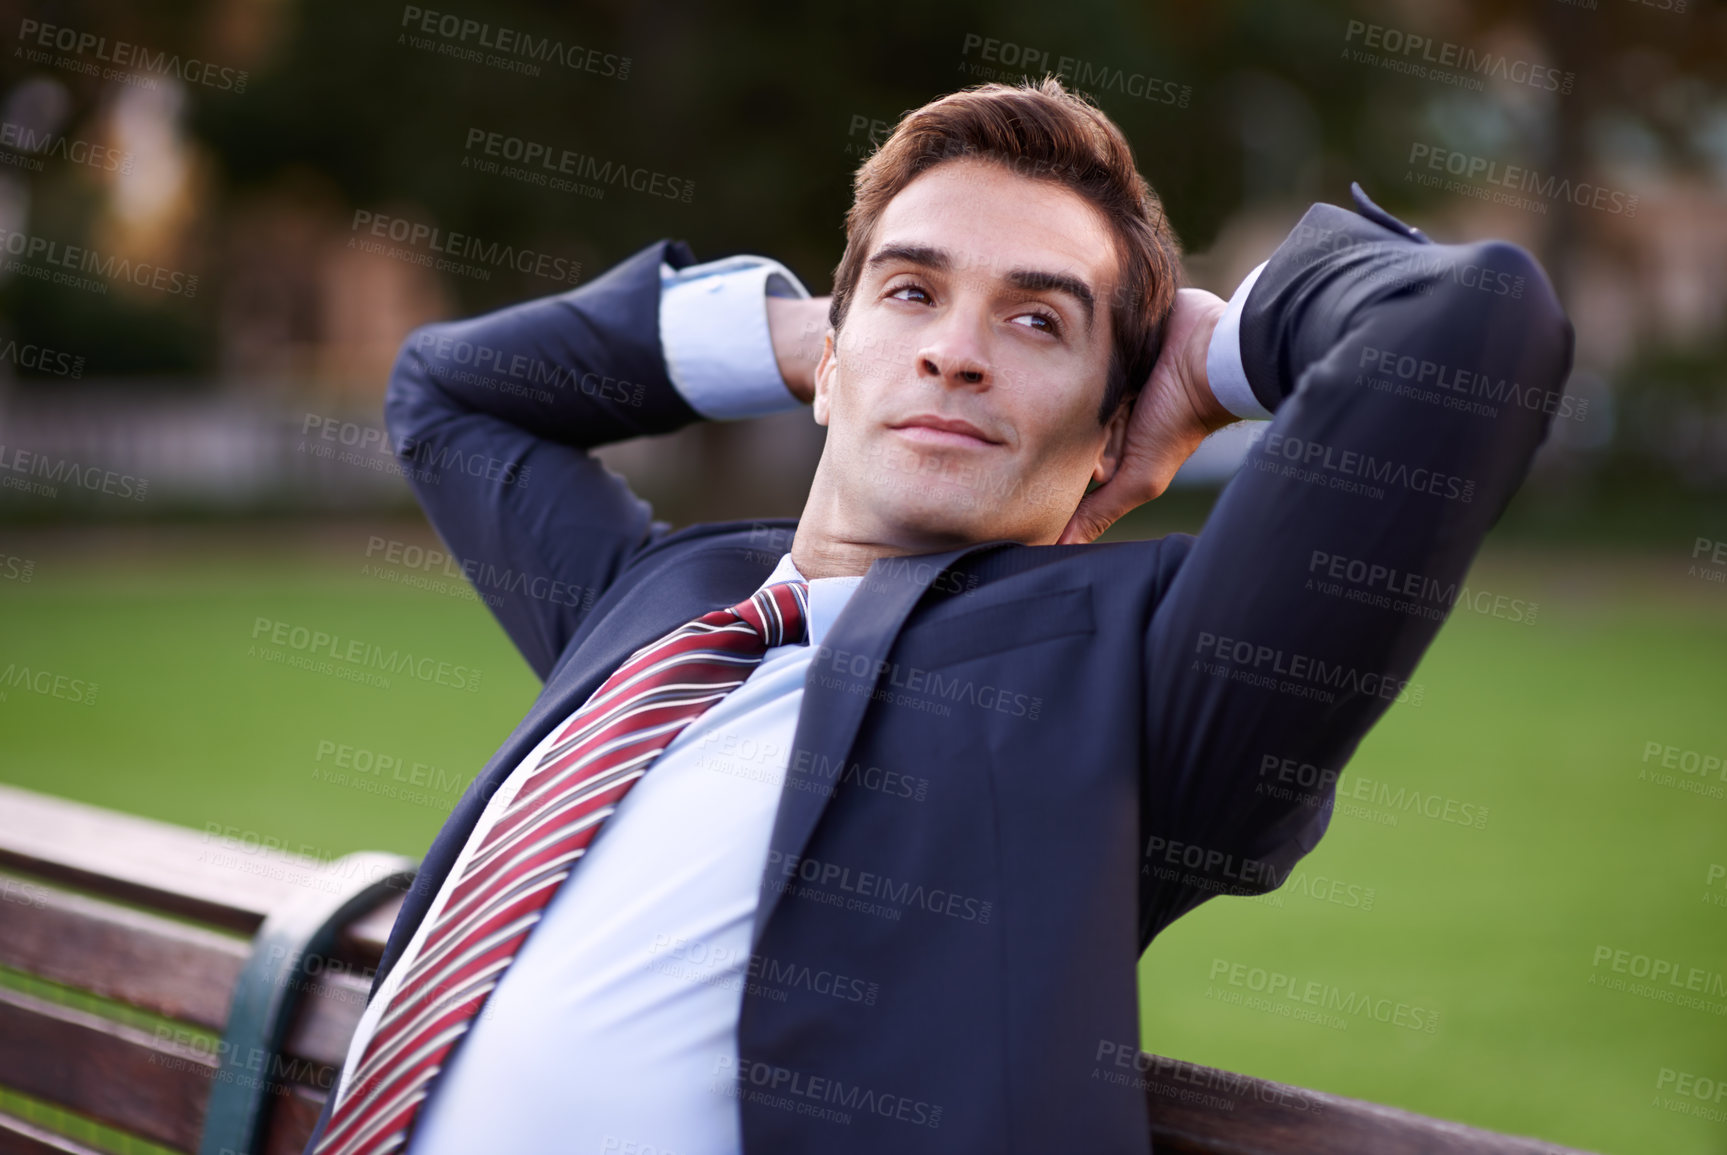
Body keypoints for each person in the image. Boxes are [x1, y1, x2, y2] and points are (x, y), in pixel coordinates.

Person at [305, 77, 1573, 1155]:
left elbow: (1470, 328)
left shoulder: (1134, 678)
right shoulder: (665, 601)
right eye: (917, 294)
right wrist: (821, 330)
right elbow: (451, 393)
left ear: (1109, 433)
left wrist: (1217, 354)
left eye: (1038, 320)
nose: (958, 352)